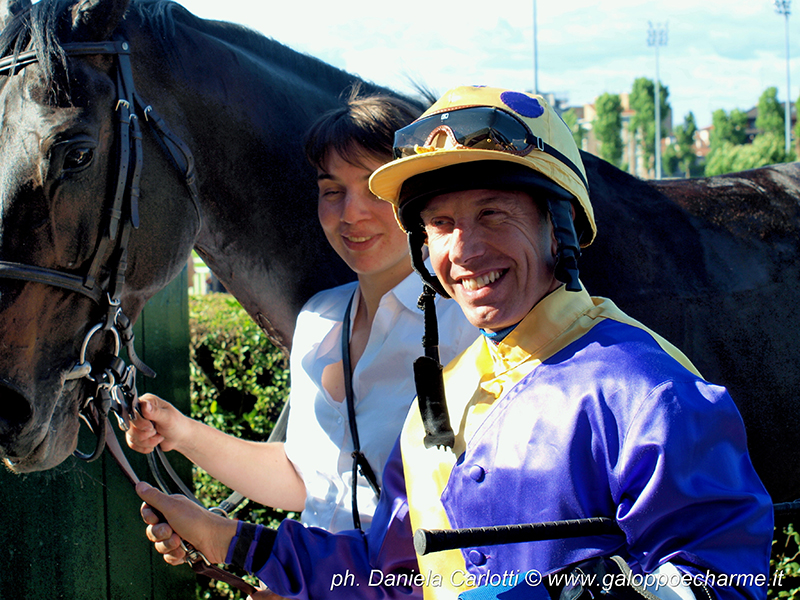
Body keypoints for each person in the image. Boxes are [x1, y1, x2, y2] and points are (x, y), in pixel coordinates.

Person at [136, 86, 773, 600]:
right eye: (440, 224)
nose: (463, 251)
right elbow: (392, 577)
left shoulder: (648, 393)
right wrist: (227, 539)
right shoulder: (434, 409)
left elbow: (726, 581)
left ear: (558, 230)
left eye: (492, 214)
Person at [126, 90, 476, 536]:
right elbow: (307, 481)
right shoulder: (319, 318)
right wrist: (183, 433)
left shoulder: (467, 324)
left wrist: (245, 549)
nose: (350, 213)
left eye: (373, 187)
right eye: (332, 190)